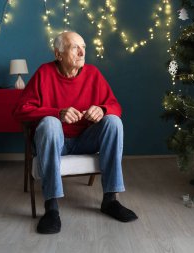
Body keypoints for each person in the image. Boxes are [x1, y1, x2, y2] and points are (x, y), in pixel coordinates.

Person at [13, 31, 138, 234]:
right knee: (51, 124)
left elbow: (115, 106)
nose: (81, 52)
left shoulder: (93, 74)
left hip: (84, 139)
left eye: (84, 47)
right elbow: (20, 111)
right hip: (55, 141)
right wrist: (57, 113)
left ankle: (110, 200)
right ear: (58, 54)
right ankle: (51, 208)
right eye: (74, 47)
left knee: (113, 122)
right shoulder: (44, 73)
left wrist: (103, 109)